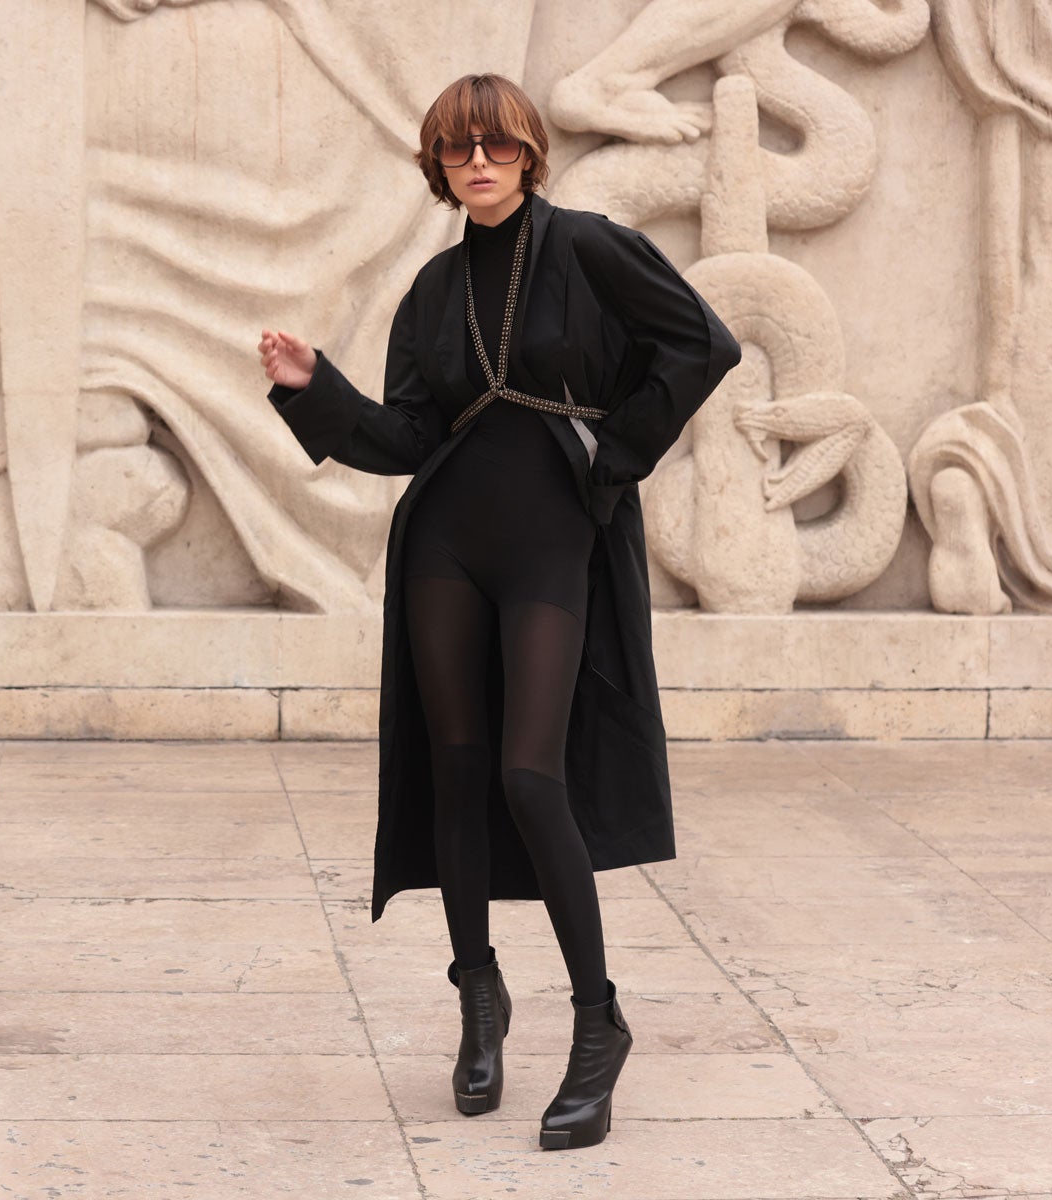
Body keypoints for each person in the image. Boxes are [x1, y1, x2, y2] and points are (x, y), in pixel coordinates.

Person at [257, 73, 739, 1147]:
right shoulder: (430, 292)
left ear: (528, 153)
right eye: (457, 149)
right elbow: (405, 442)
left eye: (497, 146)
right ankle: (477, 997)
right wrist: (311, 390)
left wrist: (610, 457)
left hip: (551, 547)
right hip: (441, 545)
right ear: (436, 165)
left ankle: (596, 1023)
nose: (478, 162)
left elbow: (702, 347)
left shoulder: (590, 247)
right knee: (460, 772)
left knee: (531, 772)